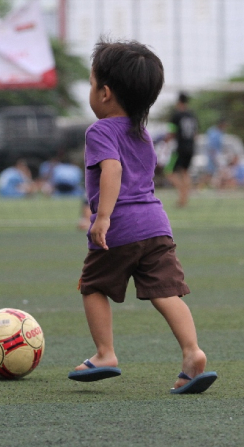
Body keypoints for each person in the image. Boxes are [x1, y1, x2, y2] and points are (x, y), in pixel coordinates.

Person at [68, 39, 217, 394]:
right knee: (166, 293)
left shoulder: (100, 130)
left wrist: (101, 217)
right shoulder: (143, 134)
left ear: (104, 93)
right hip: (157, 226)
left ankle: (105, 354)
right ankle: (192, 353)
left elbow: (112, 169)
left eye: (91, 85)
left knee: (92, 286)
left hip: (120, 227)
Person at [167, 92, 198, 207]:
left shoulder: (176, 115)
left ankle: (182, 194)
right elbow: (195, 133)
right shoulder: (192, 115)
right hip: (191, 147)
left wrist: (165, 143)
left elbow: (171, 133)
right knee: (185, 172)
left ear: (179, 102)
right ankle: (184, 198)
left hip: (180, 147)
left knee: (169, 171)